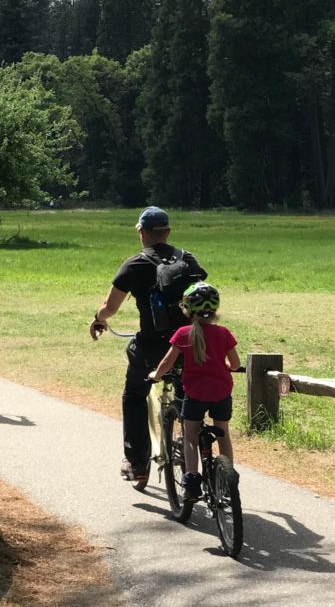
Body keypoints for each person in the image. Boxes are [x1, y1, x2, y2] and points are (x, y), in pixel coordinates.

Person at [89, 206, 206, 488]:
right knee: (185, 388)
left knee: (134, 394)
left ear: (142, 232)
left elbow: (110, 307)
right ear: (168, 232)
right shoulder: (187, 259)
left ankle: (137, 463)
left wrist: (97, 320)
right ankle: (184, 435)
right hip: (189, 344)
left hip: (152, 347)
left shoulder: (136, 264)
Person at [148, 282, 240, 500]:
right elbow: (235, 365)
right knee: (223, 433)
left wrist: (156, 375)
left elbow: (167, 362)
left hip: (195, 395)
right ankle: (229, 480)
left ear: (187, 309)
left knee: (190, 436)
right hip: (221, 393)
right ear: (215, 310)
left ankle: (191, 483)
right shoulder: (224, 333)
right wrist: (224, 367)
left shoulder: (183, 334)